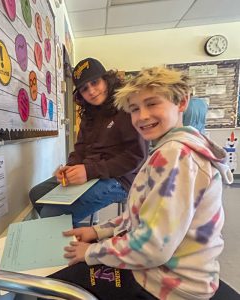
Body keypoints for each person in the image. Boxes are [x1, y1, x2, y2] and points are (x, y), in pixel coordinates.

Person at [48, 67, 233, 299]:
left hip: (167, 284)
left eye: (152, 104)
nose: (142, 116)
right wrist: (97, 230)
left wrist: (92, 251)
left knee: (53, 285)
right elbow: (140, 216)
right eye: (134, 109)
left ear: (182, 102)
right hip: (162, 268)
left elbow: (153, 248)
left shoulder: (176, 156)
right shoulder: (169, 148)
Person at [29, 57, 148, 228]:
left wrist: (88, 171)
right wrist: (70, 167)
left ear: (106, 80)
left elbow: (136, 157)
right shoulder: (88, 113)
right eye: (84, 89)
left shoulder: (127, 107)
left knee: (52, 213)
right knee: (37, 194)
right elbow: (80, 149)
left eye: (95, 82)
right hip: (91, 173)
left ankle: (73, 247)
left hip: (120, 179)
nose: (91, 91)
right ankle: (71, 239)